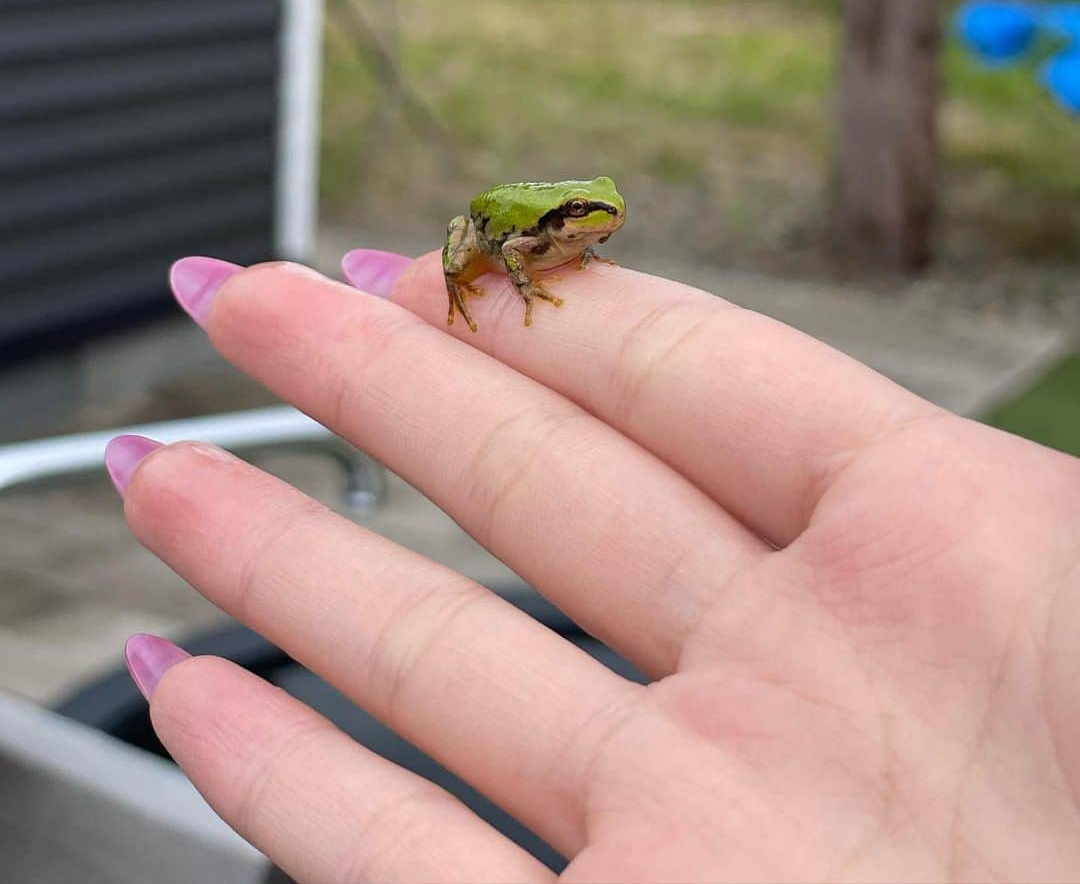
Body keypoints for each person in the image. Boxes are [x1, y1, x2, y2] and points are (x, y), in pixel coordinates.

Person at [104, 251, 1080, 884]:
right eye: (585, 216)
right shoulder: (527, 235)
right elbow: (511, 243)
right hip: (499, 237)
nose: (600, 225)